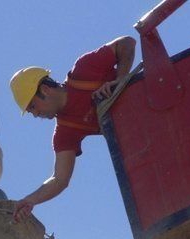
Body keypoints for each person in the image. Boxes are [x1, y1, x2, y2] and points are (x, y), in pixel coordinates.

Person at [9, 36, 136, 222]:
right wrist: (30, 200)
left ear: (44, 90)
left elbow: (127, 42)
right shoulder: (64, 132)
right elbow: (59, 180)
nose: (35, 115)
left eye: (33, 107)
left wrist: (121, 80)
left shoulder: (84, 70)